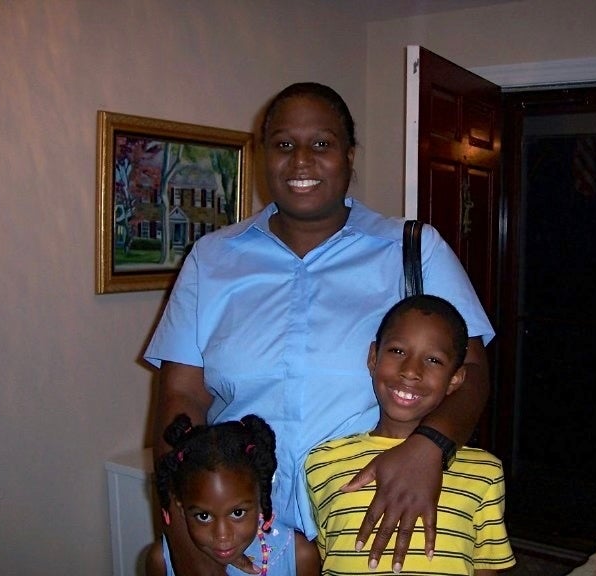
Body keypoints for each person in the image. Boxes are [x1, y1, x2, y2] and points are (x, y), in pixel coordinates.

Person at [144, 81, 494, 575]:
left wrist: (429, 447)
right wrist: (187, 540)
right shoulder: (212, 259)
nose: (301, 160)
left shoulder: (414, 250)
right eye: (284, 144)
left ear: (350, 156)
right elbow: (181, 399)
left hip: (374, 528)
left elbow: (472, 372)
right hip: (245, 542)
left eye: (322, 144)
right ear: (264, 154)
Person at [306, 294, 516, 575]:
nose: (411, 371)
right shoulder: (322, 462)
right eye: (397, 351)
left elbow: (486, 569)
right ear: (373, 357)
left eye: (433, 360)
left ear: (455, 378)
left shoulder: (484, 473)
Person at [146, 413, 295, 576]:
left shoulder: (296, 556)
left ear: (261, 499)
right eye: (203, 516)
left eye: (237, 513)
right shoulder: (161, 561)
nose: (222, 536)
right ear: (181, 507)